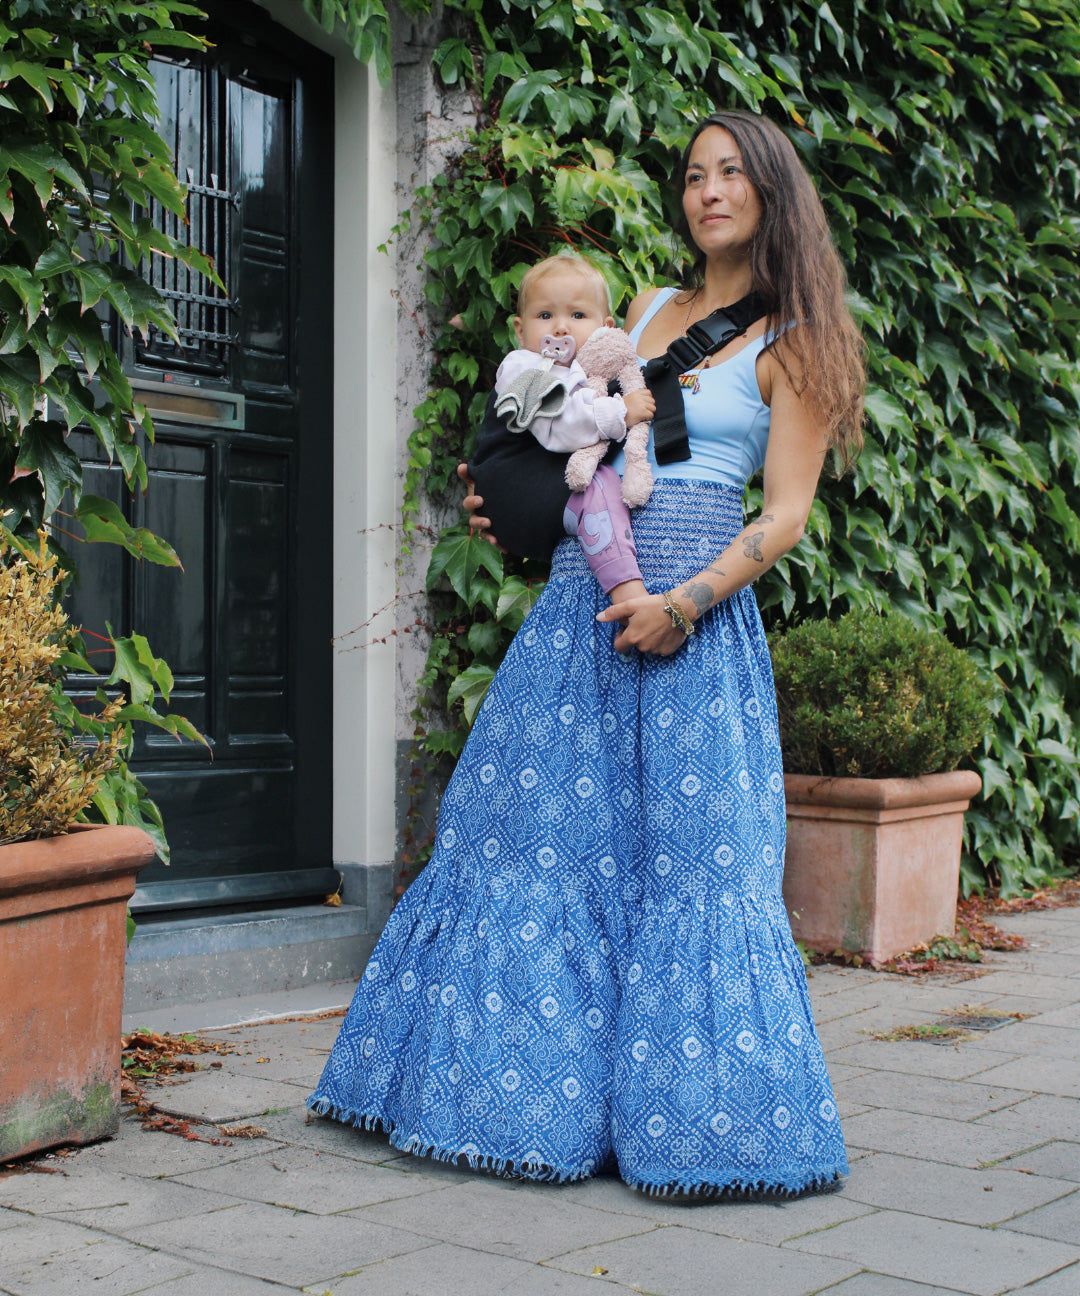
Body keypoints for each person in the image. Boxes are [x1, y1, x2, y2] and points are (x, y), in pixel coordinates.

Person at [310, 108, 864, 1199]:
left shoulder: (795, 342)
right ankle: (518, 1104)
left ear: (772, 193)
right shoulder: (646, 309)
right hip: (580, 617)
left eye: (732, 174)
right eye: (694, 173)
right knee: (536, 842)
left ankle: (695, 1127)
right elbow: (574, 437)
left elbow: (786, 516)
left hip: (691, 628)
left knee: (692, 867)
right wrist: (514, 506)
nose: (708, 191)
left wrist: (687, 603)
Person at [469, 253, 655, 599]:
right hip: (513, 493)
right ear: (520, 330)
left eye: (578, 315)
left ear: (606, 330)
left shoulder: (589, 375)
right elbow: (562, 428)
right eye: (545, 315)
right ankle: (628, 595)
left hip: (539, 496)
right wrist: (620, 414)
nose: (560, 327)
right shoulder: (525, 369)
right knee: (599, 488)